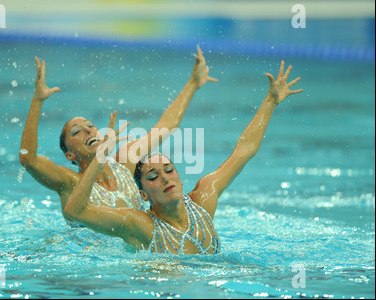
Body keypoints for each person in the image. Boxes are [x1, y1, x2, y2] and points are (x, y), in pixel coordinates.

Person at [63, 60, 303, 254]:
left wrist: (270, 101)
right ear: (143, 195)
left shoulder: (204, 199)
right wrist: (100, 158)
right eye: (154, 176)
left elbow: (244, 150)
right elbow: (75, 212)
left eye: (169, 170)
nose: (166, 179)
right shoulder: (139, 225)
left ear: (179, 177)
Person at [19, 47, 218, 225]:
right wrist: (37, 101)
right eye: (76, 132)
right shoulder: (69, 182)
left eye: (90, 125)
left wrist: (193, 83)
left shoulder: (126, 161)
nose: (88, 130)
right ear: (70, 155)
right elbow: (28, 159)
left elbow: (166, 125)